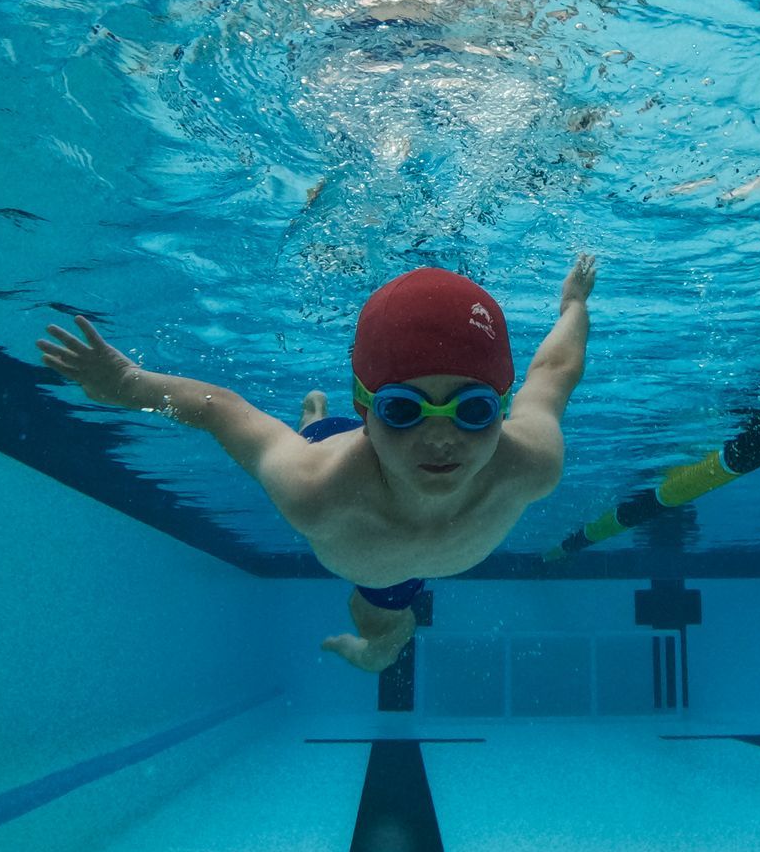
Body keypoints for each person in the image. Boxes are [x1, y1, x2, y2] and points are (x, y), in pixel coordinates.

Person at [36, 256, 597, 672]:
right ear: (368, 406)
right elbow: (225, 412)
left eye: (471, 411)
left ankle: (332, 415)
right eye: (405, 409)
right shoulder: (315, 489)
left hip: (372, 488)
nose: (440, 439)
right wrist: (130, 385)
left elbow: (553, 370)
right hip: (344, 458)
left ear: (499, 407)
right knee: (376, 639)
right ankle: (316, 418)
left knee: (383, 647)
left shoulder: (530, 464)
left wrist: (574, 303)